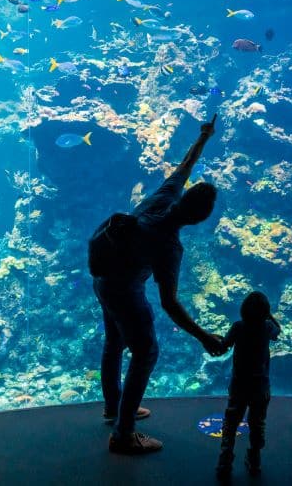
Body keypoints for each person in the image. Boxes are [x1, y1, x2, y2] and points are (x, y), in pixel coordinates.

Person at [93, 114, 225, 455]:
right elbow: (170, 303)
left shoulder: (164, 196)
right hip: (124, 291)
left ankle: (113, 406)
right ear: (199, 219)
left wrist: (204, 136)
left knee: (114, 343)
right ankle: (123, 434)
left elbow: (186, 164)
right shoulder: (169, 247)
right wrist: (204, 336)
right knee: (146, 351)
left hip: (102, 280)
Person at [216, 291, 281, 480]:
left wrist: (214, 339)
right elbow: (279, 331)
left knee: (230, 422)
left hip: (238, 385)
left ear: (242, 310)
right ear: (266, 313)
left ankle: (224, 461)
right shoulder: (267, 327)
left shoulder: (238, 327)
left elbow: (224, 345)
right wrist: (269, 315)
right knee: (257, 422)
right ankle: (254, 460)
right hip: (261, 386)